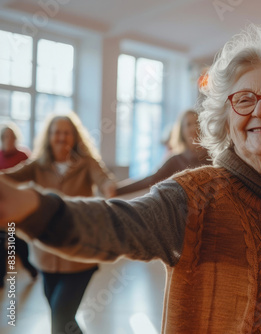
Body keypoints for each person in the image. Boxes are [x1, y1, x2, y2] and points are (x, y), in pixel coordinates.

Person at [0, 25, 261, 333]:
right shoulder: (194, 198)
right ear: (226, 121)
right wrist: (30, 207)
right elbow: (114, 225)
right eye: (244, 99)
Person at [0, 112, 116, 334]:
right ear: (49, 136)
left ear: (74, 137)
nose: (61, 137)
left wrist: (109, 188)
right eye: (56, 133)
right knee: (61, 317)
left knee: (61, 315)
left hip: (81, 253)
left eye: (66, 133)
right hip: (46, 256)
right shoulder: (37, 165)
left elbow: (104, 179)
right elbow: (7, 178)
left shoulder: (86, 163)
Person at [116, 110, 210, 196]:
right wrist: (118, 190)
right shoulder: (175, 160)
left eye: (197, 123)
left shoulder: (213, 157)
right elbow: (151, 179)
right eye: (188, 124)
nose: (194, 129)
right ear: (182, 131)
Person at [0, 123, 38, 288]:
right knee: (1, 241)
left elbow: (31, 181)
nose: (9, 140)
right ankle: (1, 277)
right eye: (6, 137)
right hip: (1, 207)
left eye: (12, 137)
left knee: (16, 240)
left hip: (19, 206)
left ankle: (30, 267)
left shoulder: (23, 156)